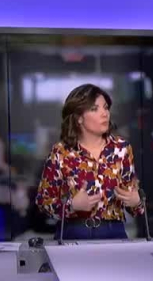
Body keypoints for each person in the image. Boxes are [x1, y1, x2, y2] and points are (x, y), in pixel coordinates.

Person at [35, 84, 144, 240]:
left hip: (113, 233)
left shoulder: (121, 149)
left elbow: (134, 204)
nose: (104, 114)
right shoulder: (61, 152)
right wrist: (72, 206)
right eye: (94, 109)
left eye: (105, 108)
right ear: (78, 117)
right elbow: (43, 203)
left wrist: (136, 202)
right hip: (73, 233)